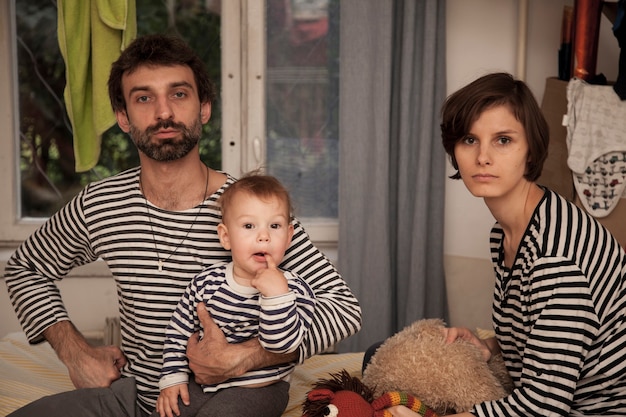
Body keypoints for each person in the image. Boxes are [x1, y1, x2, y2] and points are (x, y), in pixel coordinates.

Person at [3, 34, 361, 417]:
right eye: (143, 98)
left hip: (229, 398)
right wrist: (76, 354)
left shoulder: (250, 211)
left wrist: (244, 358)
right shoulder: (99, 204)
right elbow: (25, 268)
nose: (163, 113)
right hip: (138, 399)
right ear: (123, 116)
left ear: (203, 108)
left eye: (178, 94)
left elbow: (343, 311)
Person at [387, 72, 626, 417]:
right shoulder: (506, 231)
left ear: (531, 150)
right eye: (470, 140)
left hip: (598, 411)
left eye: (503, 140)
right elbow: (553, 335)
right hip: (556, 398)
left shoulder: (556, 258)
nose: (483, 156)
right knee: (382, 357)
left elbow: (544, 407)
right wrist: (489, 346)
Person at [155, 174, 316, 417]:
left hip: (260, 389)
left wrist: (276, 295)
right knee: (169, 412)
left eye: (275, 226)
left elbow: (283, 346)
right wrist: (173, 378)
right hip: (202, 385)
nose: (264, 236)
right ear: (226, 237)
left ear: (289, 236)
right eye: (249, 226)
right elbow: (178, 331)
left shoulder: (294, 289)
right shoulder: (205, 283)